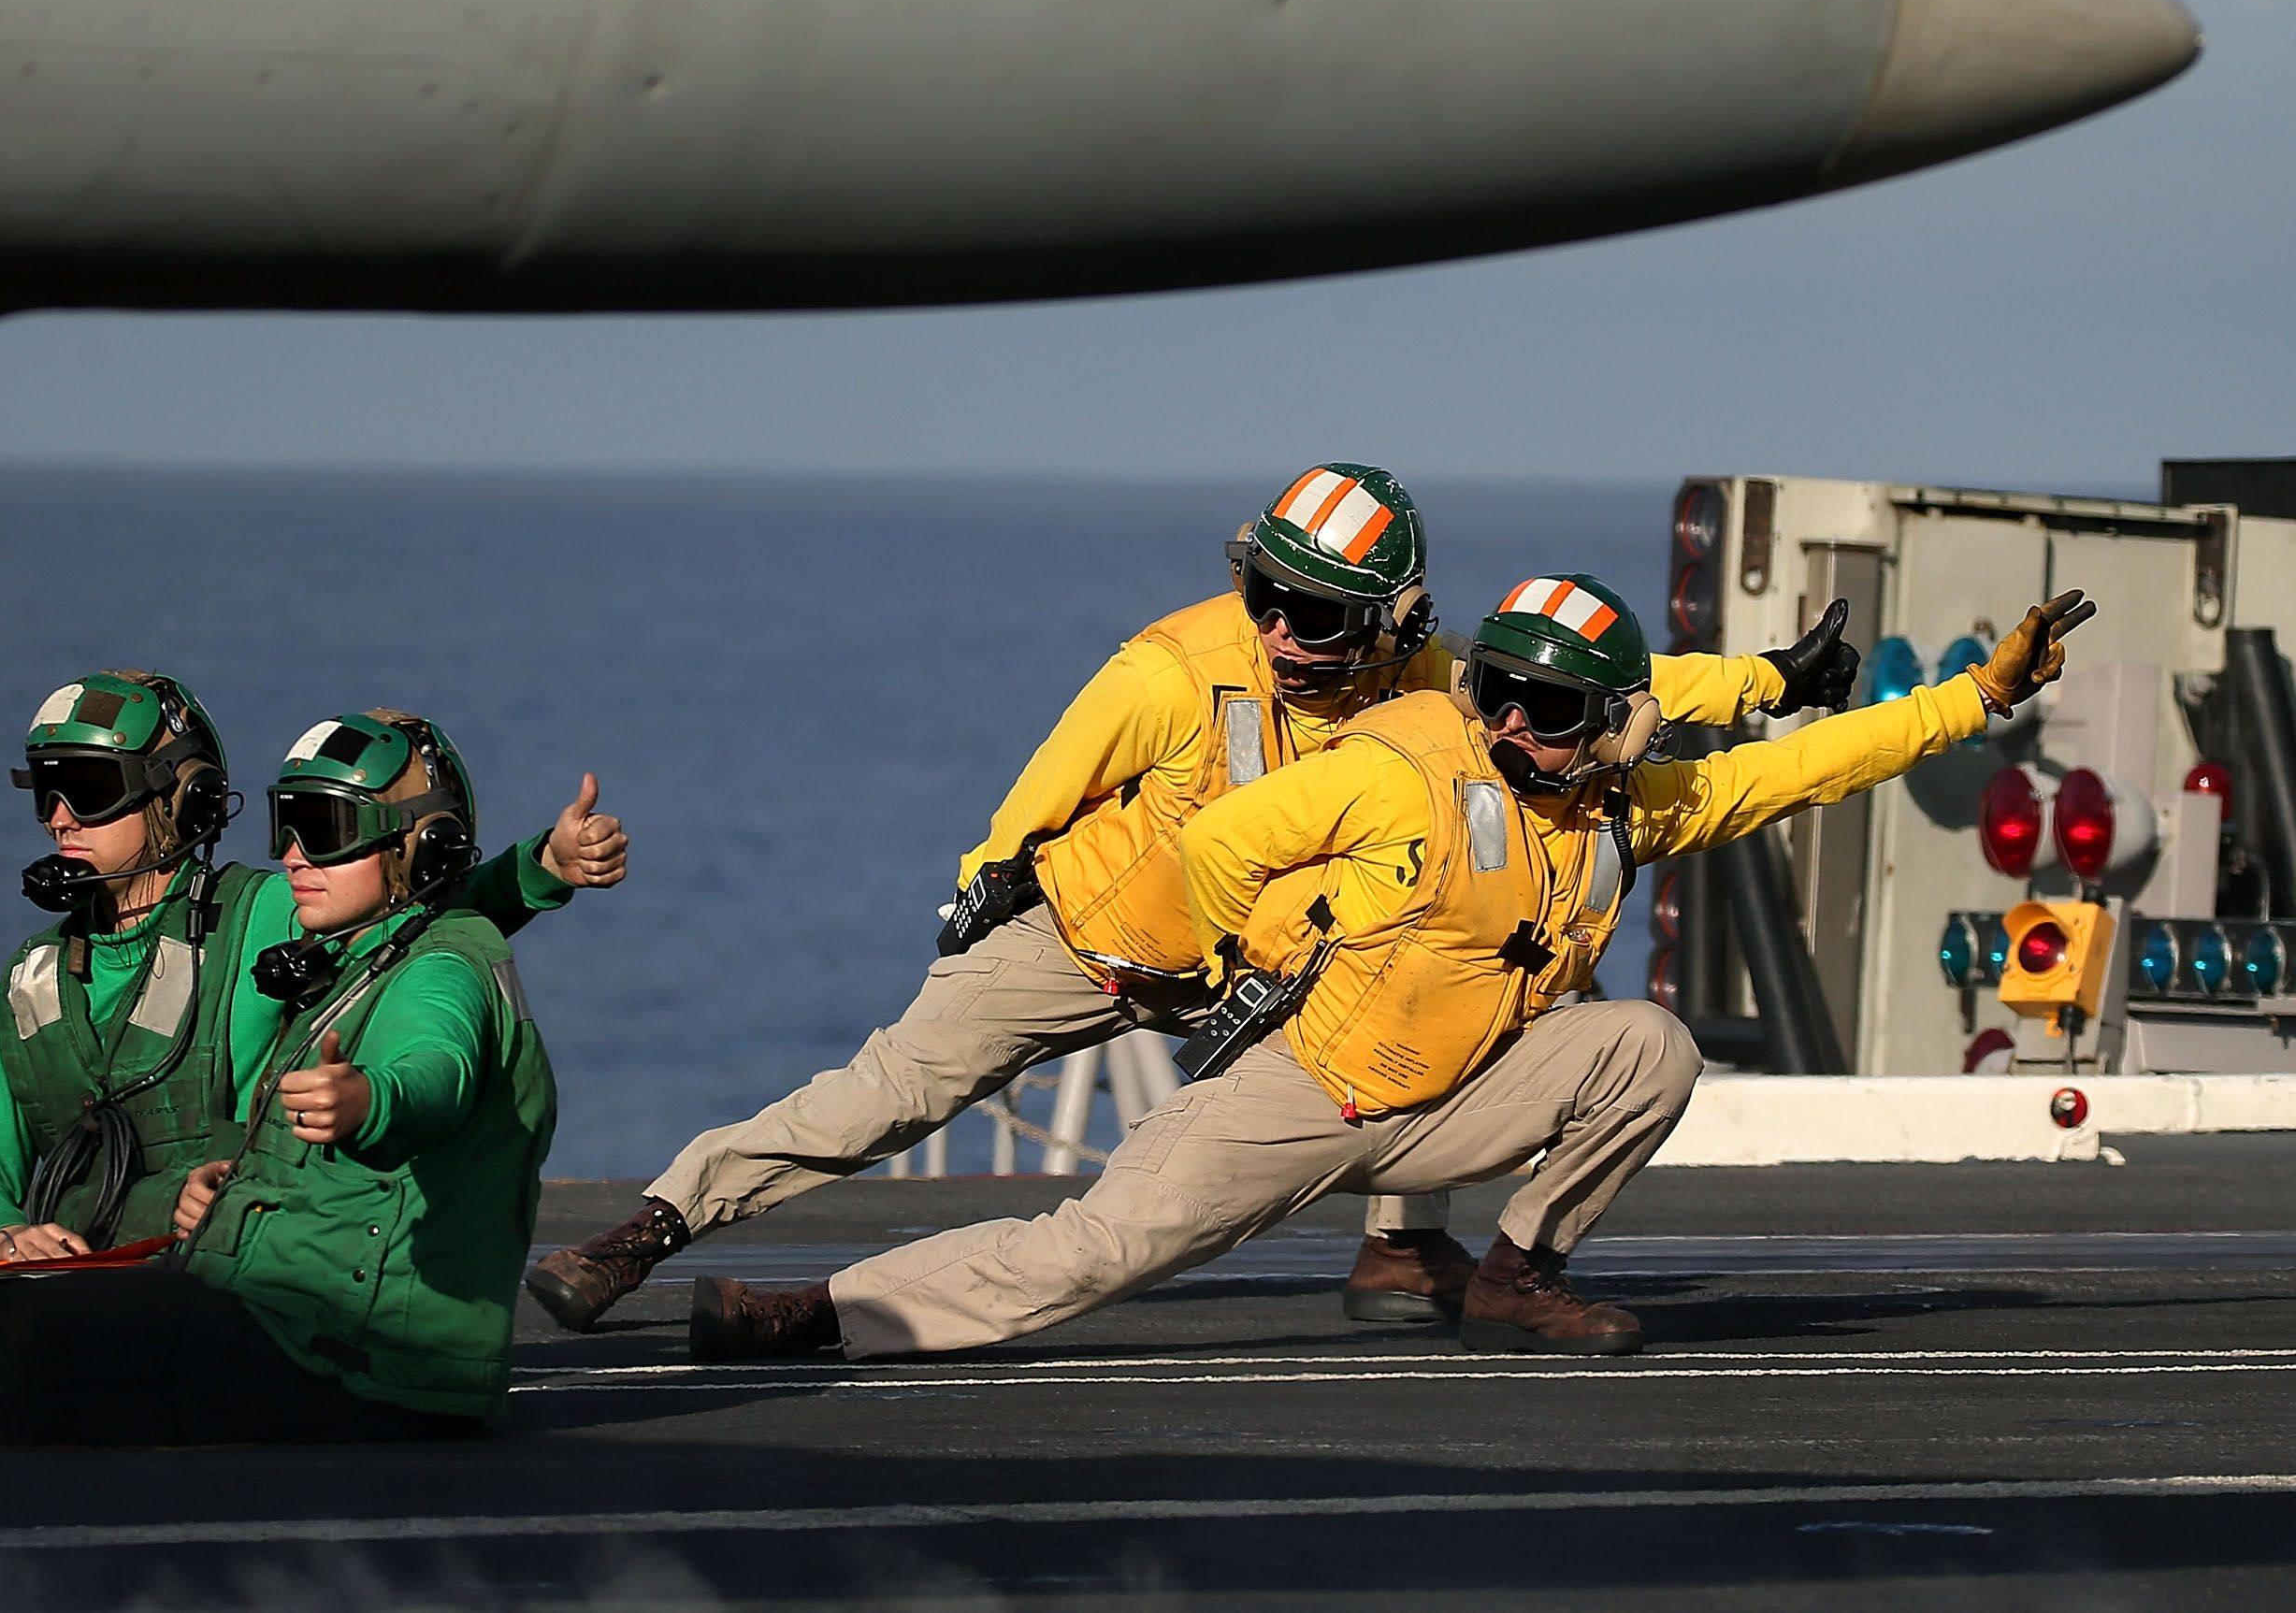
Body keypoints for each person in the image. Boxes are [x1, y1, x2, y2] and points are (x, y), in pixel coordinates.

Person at [528, 468, 1855, 1332]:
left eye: (1318, 613)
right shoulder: (1169, 667)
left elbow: (1599, 685)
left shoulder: (1435, 680)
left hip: (1254, 970)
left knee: (1473, 967)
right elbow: (1032, 800)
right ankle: (647, 1229)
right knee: (885, 1096)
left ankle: (1403, 1249)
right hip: (1093, 938)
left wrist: (1769, 686)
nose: (1283, 631)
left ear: (1397, 622)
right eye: (1265, 595)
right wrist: (982, 888)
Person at [683, 580, 2093, 1363]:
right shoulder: (1415, 763)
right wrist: (1259, 959)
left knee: (1650, 1045)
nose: (1509, 721)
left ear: (1608, 724)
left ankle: (1514, 1272)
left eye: (1546, 708)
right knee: (1092, 1252)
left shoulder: (1631, 804)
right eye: (1498, 694)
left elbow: (1795, 767)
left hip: (1450, 1108)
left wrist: (1973, 697)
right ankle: (810, 1311)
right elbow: (1226, 842)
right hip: (1304, 1088)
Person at [0, 710, 560, 1445]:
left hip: (350, 1347)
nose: (292, 855)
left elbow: (434, 1051)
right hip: (247, 1297)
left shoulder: (309, 936)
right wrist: (4, 1232)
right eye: (285, 825)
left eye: (91, 788)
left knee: (0, 1348)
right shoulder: (47, 976)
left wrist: (368, 1100)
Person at [0, 670, 620, 1260]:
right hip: (82, 1287)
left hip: (222, 1279)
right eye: (47, 788)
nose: (61, 816)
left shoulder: (260, 919)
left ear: (180, 797)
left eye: (89, 787)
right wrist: (2, 1231)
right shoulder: (34, 979)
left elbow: (406, 910)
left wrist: (542, 868)